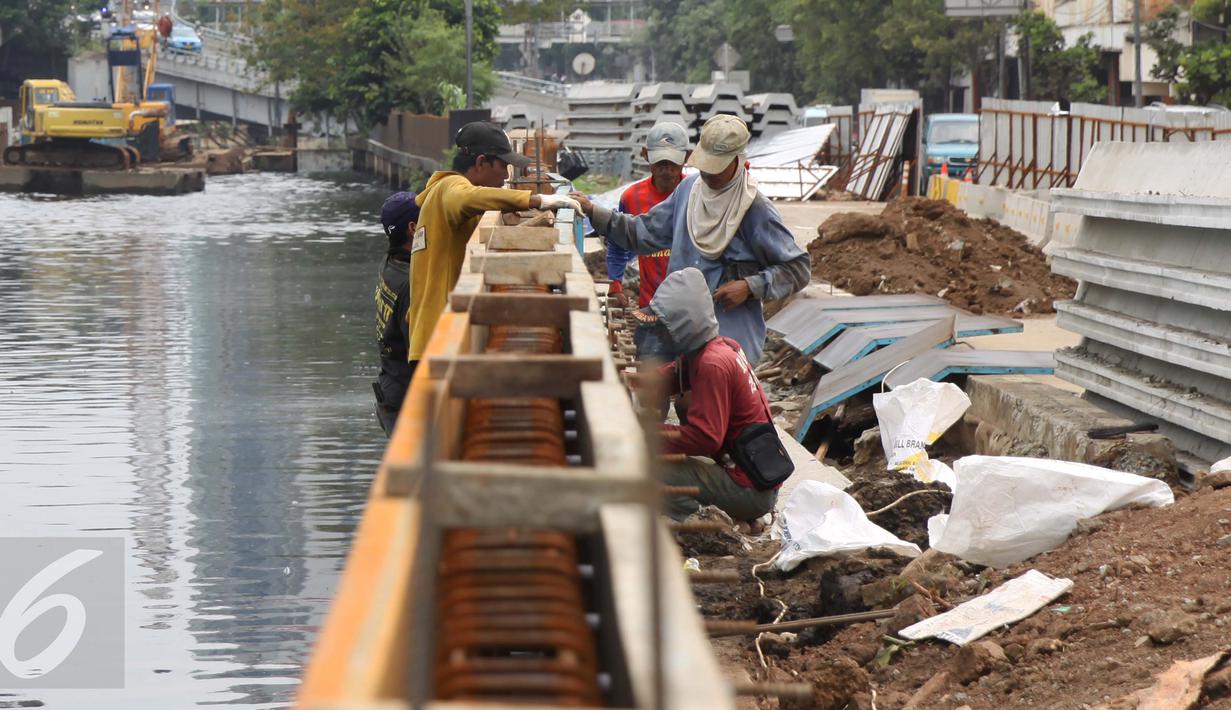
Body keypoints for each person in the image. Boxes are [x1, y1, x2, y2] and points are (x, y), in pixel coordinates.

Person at [571, 114, 809, 365]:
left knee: (714, 386)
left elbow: (798, 268)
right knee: (669, 384)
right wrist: (593, 211)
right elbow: (643, 232)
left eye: (717, 167)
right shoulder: (689, 191)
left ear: (738, 161)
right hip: (681, 331)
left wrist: (750, 286)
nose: (709, 173)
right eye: (706, 165)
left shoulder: (754, 209)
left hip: (726, 339)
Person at [408, 122, 581, 367]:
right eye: (503, 166)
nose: (506, 176)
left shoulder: (439, 194)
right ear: (481, 162)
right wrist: (538, 200)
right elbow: (467, 197)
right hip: (440, 342)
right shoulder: (450, 188)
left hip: (436, 338)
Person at [641, 267, 789, 522]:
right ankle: (729, 512)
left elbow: (705, 438)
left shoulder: (712, 364)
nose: (659, 334)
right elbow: (671, 376)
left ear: (681, 326)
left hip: (751, 491)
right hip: (756, 476)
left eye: (664, 326)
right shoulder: (718, 347)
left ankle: (709, 520)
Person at [605, 121, 690, 358]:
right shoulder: (632, 198)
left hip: (691, 310)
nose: (667, 170)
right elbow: (619, 242)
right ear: (645, 155)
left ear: (687, 157)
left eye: (673, 163)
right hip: (650, 306)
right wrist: (615, 281)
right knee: (652, 371)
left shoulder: (696, 194)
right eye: (660, 163)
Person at [372, 191, 419, 437]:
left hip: (391, 390)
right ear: (413, 228)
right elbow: (418, 354)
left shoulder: (390, 264)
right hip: (407, 403)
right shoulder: (411, 283)